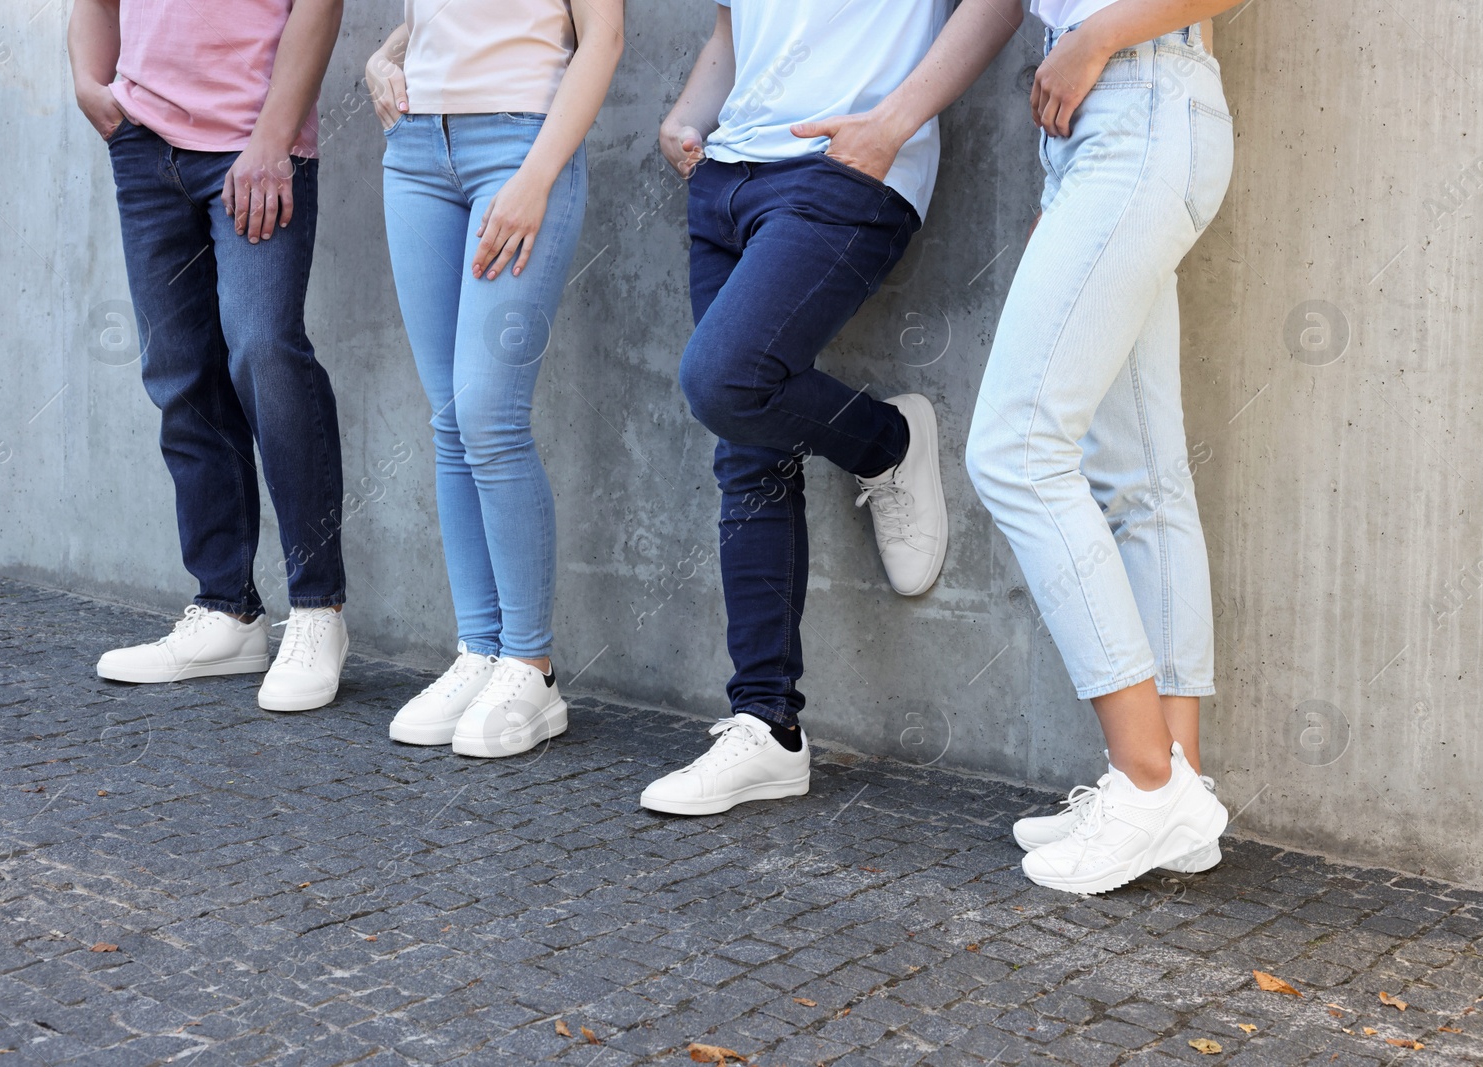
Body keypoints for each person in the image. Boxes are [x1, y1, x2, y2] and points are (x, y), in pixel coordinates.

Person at [639, 0, 1023, 816]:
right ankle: (767, 724)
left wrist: (891, 125)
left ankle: (885, 441)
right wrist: (686, 113)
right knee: (743, 441)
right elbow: (732, 30)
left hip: (841, 170)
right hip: (725, 175)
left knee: (725, 381)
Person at [965, 0, 1240, 893]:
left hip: (1141, 101)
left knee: (1016, 451)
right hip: (1110, 122)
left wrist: (1095, 39)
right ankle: (1180, 789)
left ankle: (1145, 778)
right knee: (1141, 478)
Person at [71, 0, 351, 712]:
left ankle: (317, 609)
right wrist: (86, 80)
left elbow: (317, 7)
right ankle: (227, 611)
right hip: (143, 144)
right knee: (178, 370)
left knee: (265, 352)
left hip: (255, 144)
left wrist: (272, 140)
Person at [365, 1, 624, 756]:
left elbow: (601, 37)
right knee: (449, 415)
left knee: (489, 412)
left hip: (520, 144)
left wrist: (538, 173)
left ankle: (530, 667)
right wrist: (382, 58)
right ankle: (479, 649)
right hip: (415, 150)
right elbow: (435, 22)